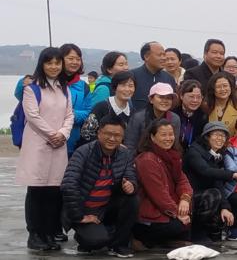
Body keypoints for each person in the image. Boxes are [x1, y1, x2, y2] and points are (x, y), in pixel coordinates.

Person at [17, 47, 74, 251]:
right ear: (42, 64)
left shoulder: (63, 88)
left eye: (57, 63)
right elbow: (33, 116)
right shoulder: (32, 88)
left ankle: (49, 233)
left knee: (53, 191)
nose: (54, 67)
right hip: (38, 145)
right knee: (36, 191)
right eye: (49, 63)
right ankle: (35, 234)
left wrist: (63, 133)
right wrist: (53, 134)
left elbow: (69, 115)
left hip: (58, 146)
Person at [61, 116, 139, 257]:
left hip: (106, 207)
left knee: (132, 199)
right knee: (97, 241)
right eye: (108, 134)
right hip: (84, 208)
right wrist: (80, 216)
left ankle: (119, 245)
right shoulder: (83, 152)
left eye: (117, 135)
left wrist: (131, 185)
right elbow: (68, 185)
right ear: (99, 133)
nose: (112, 138)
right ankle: (84, 236)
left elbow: (131, 176)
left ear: (123, 137)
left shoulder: (125, 154)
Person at [133, 119, 192, 250]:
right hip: (151, 214)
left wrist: (185, 199)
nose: (168, 138)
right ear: (152, 137)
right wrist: (177, 213)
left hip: (169, 208)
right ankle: (141, 240)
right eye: (163, 135)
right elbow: (159, 195)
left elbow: (183, 181)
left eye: (171, 134)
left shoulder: (173, 156)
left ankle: (169, 241)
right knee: (181, 225)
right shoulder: (147, 159)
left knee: (201, 206)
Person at [182, 121, 237, 242]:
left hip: (202, 194)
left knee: (223, 204)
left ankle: (210, 231)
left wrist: (225, 207)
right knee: (213, 195)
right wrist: (233, 174)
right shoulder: (194, 151)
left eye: (223, 136)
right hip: (187, 196)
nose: (220, 139)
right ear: (207, 136)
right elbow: (206, 171)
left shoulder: (217, 154)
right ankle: (196, 231)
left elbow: (217, 181)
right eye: (216, 135)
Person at [78, 71, 135, 149]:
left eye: (131, 86)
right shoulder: (101, 107)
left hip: (121, 154)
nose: (127, 89)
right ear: (115, 87)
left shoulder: (132, 110)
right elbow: (86, 134)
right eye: (123, 85)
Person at [124, 83, 181, 152]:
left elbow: (174, 145)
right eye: (161, 97)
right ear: (151, 99)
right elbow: (130, 145)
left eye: (169, 98)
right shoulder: (138, 118)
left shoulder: (175, 119)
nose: (165, 101)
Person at [130, 41, 175, 111]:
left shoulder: (169, 78)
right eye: (160, 55)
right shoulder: (132, 76)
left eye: (164, 55)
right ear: (146, 56)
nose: (164, 58)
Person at [61, 44, 90, 153]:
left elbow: (89, 112)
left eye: (78, 59)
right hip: (50, 138)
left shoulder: (84, 87)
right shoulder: (50, 83)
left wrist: (71, 114)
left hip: (73, 141)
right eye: (71, 58)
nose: (75, 62)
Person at [204, 72, 237, 136]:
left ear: (231, 87)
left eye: (225, 86)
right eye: (218, 87)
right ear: (213, 89)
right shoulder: (205, 107)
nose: (222, 89)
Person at [173, 80, 207, 151]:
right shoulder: (173, 114)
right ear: (181, 96)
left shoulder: (203, 116)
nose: (195, 100)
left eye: (198, 97)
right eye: (191, 96)